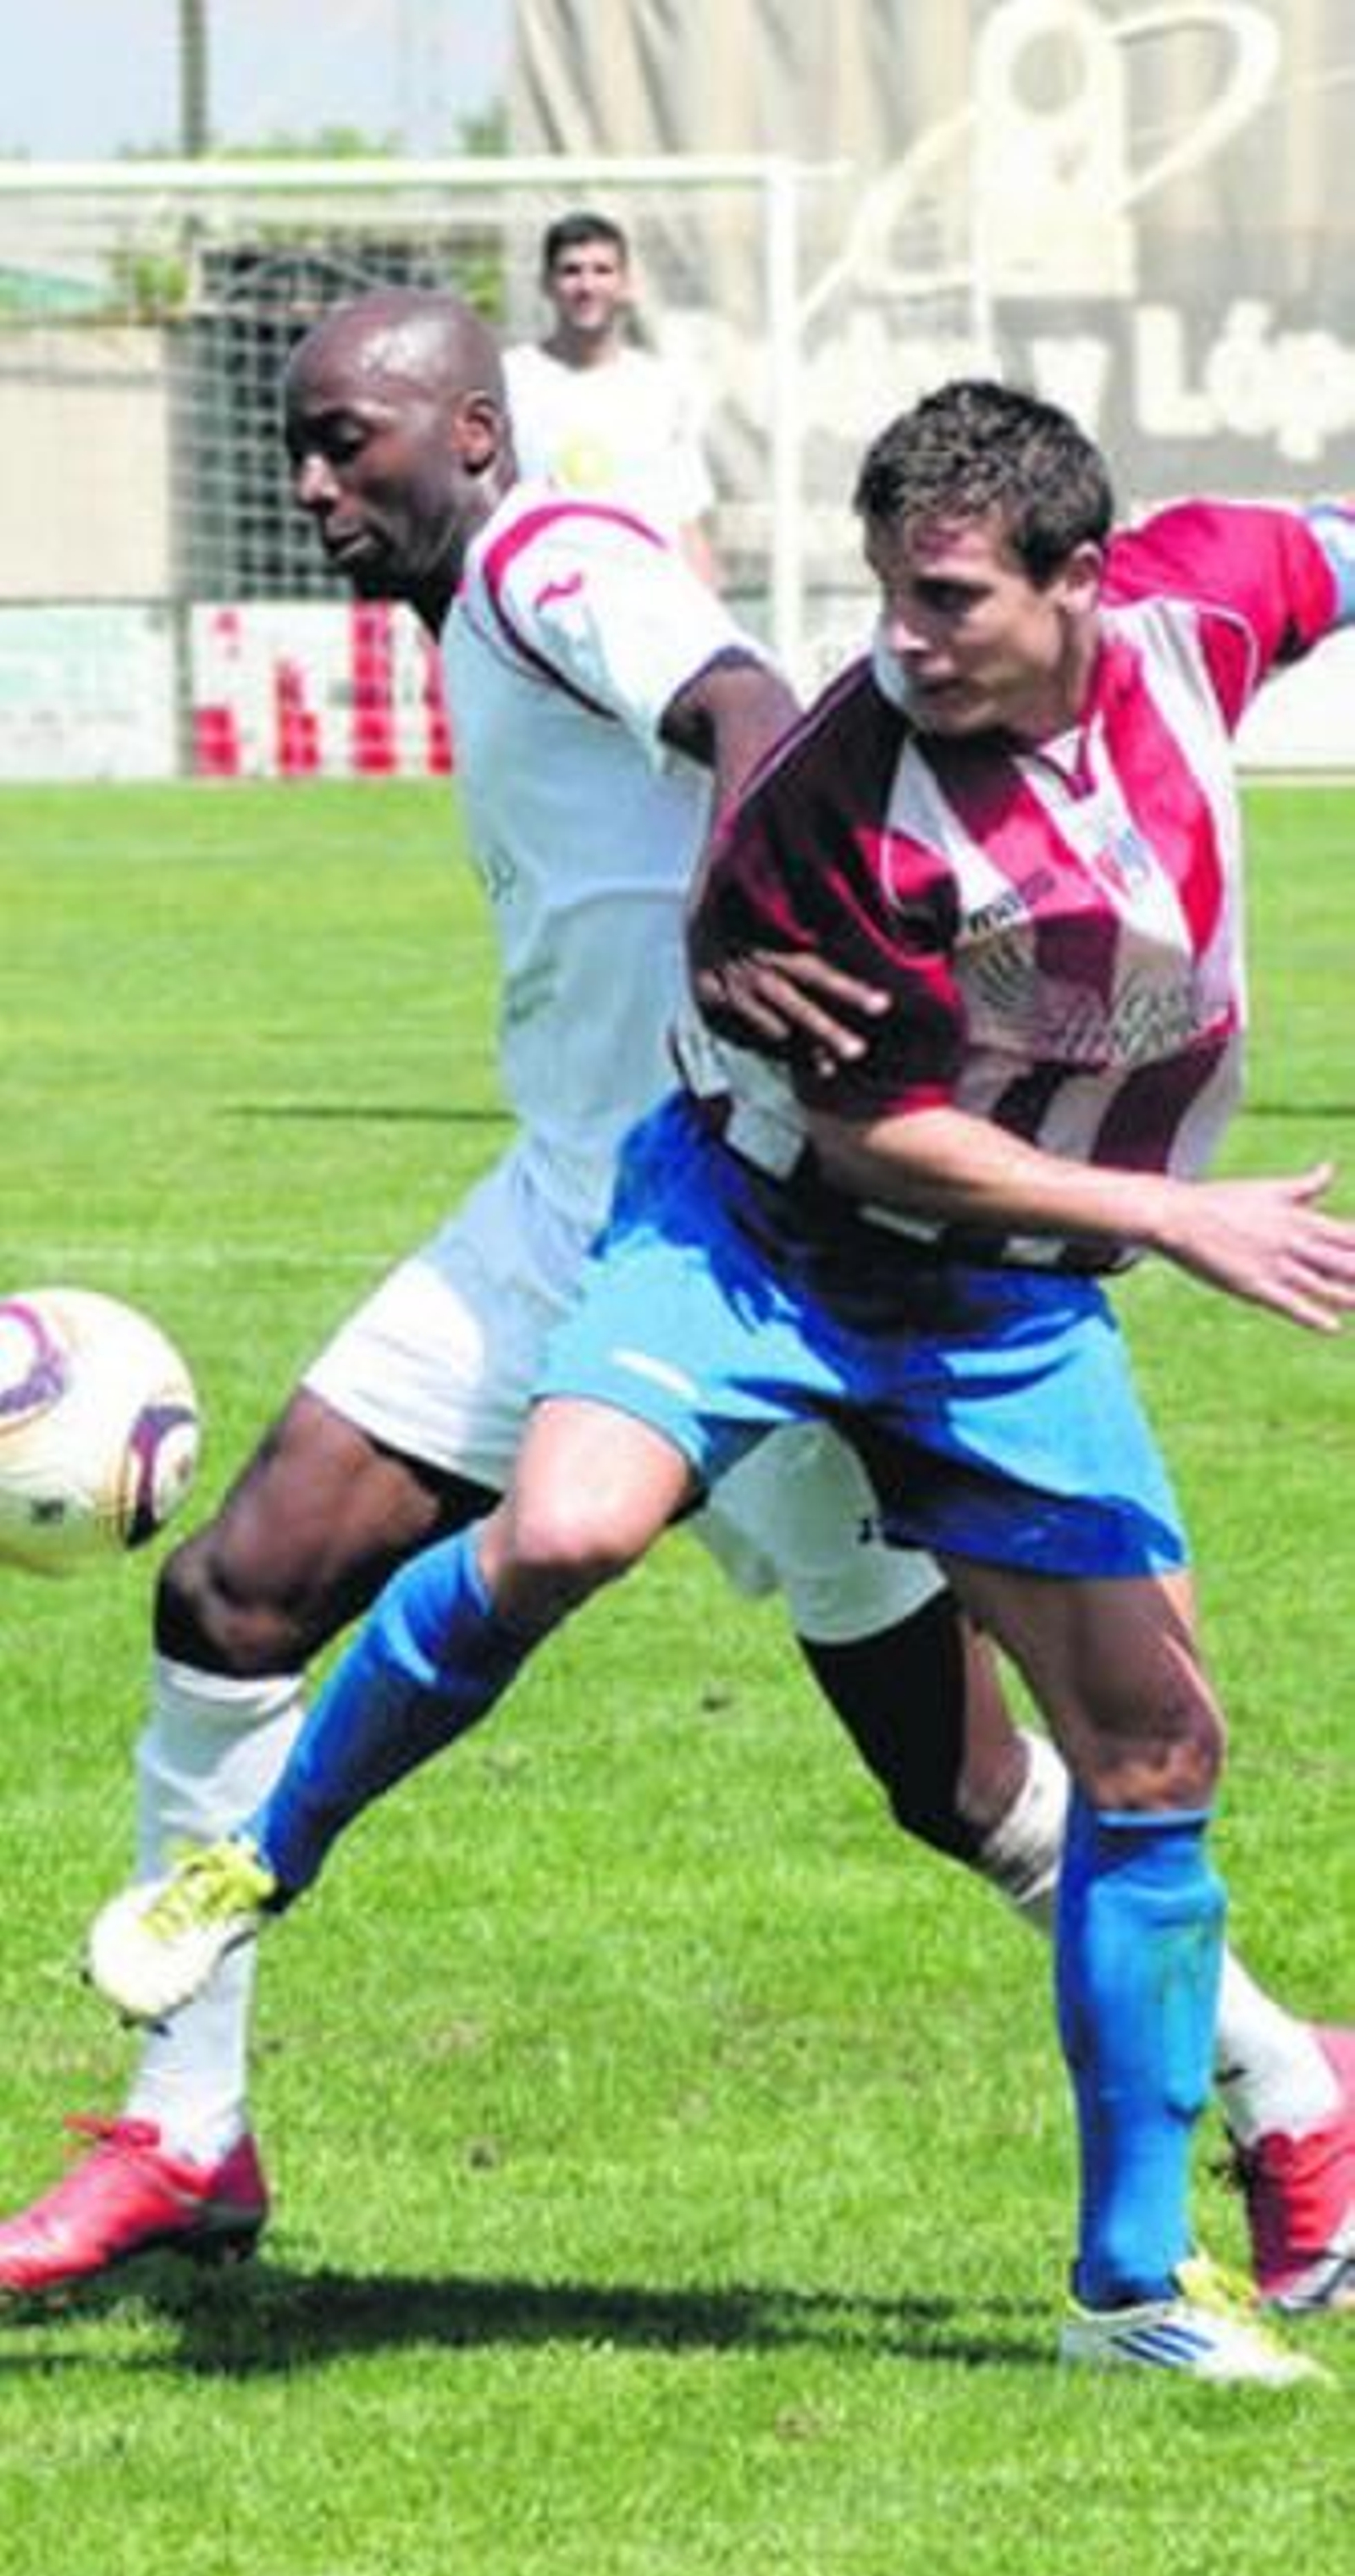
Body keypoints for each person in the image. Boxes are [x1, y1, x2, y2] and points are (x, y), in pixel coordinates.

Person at [86, 365, 1355, 2379]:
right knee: (570, 1521)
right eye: (886, 595)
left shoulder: (1201, 606)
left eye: (947, 599)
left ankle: (1138, 2277)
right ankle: (256, 1860)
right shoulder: (835, 800)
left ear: (1080, 580)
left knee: (1141, 1757)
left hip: (1002, 1310)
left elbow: (1325, 556)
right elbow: (873, 1135)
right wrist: (1178, 1214)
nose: (902, 642)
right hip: (755, 1233)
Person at [503, 208, 720, 584]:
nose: (587, 286)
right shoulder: (509, 378)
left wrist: (711, 623)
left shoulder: (661, 388)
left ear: (626, 284)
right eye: (571, 271)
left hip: (641, 601)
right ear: (546, 284)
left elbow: (688, 523)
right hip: (539, 599)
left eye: (602, 270)